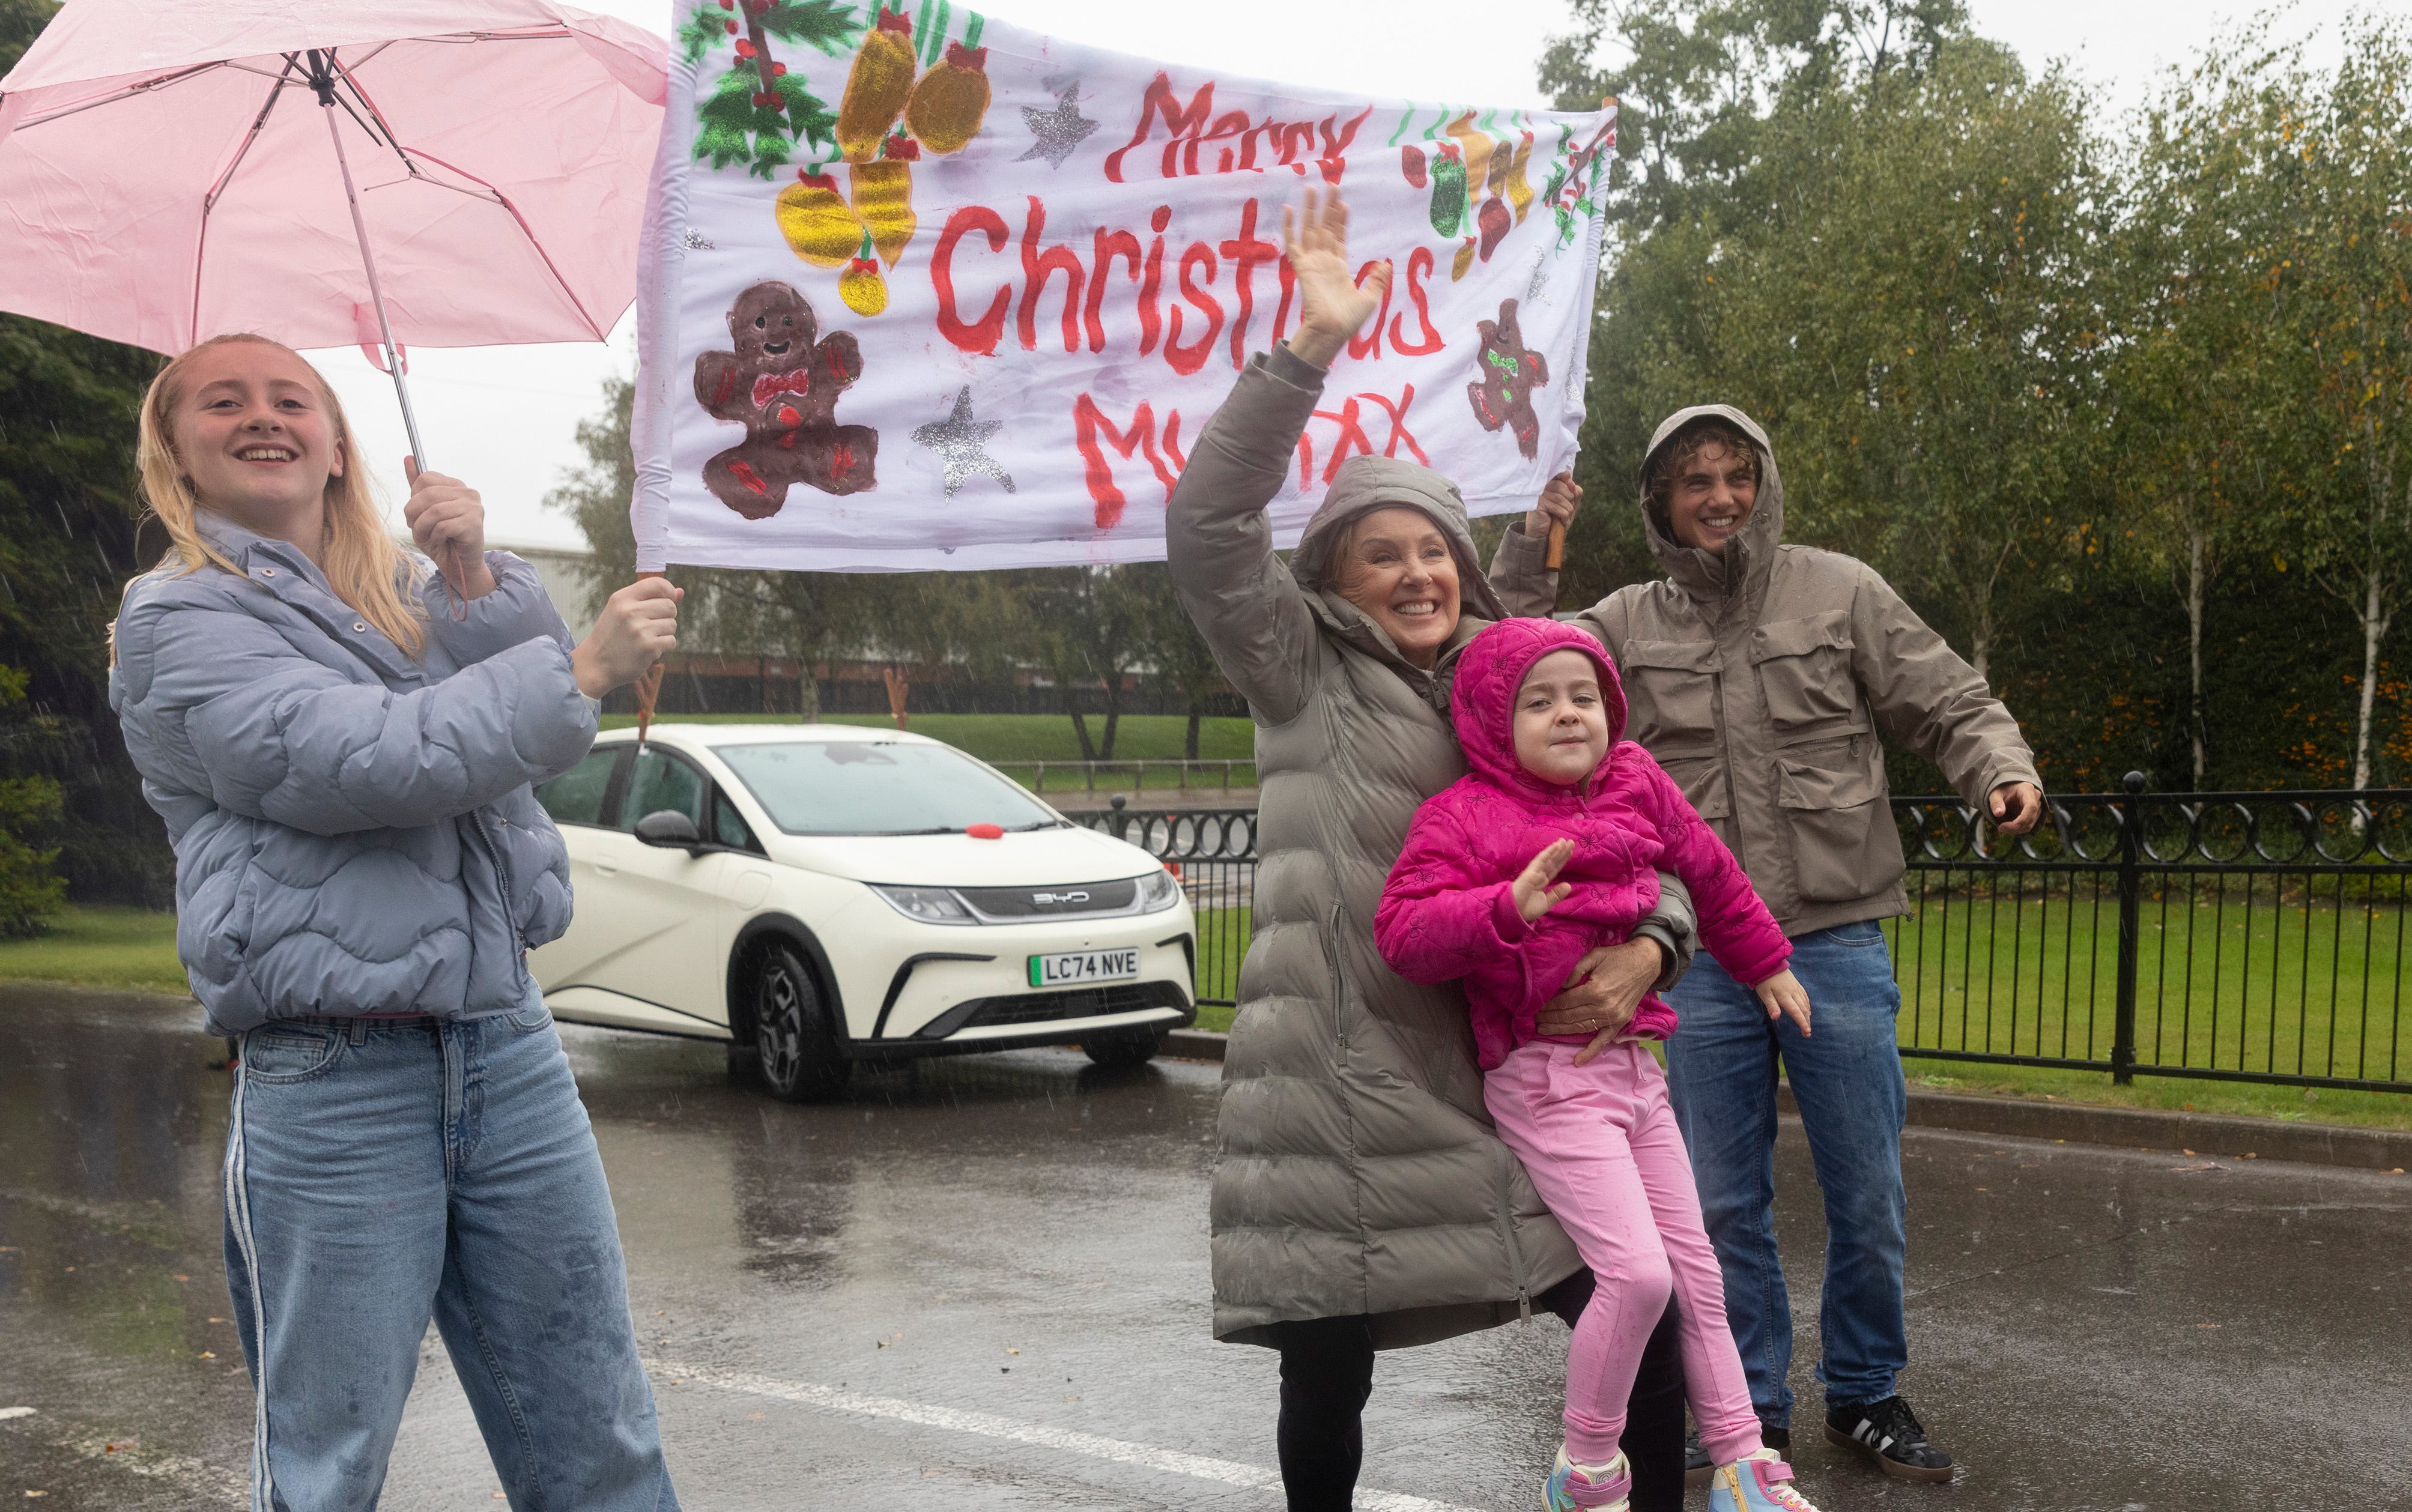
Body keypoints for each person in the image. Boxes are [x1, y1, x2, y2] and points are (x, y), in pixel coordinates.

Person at [1165, 189, 1702, 1512]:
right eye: (1380, 555)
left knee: (1648, 1312)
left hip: (1504, 1070)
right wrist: (1309, 348)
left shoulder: (1504, 686)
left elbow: (1646, 831)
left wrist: (1653, 942)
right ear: (1331, 578)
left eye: (1434, 552)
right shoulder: (1296, 666)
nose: (1415, 574)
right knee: (1328, 1371)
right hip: (1338, 1082)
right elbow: (1208, 527)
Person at [109, 333, 686, 1511]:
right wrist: (580, 668)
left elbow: (503, 722)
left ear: (335, 446)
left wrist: (471, 576)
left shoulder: (397, 599)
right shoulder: (176, 617)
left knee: (597, 1434)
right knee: (329, 1467)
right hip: (334, 1077)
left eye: (293, 399)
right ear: (174, 450)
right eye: (224, 401)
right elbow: (363, 761)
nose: (263, 416)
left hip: (505, 1040)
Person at [1492, 407, 2044, 1481]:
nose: (1720, 497)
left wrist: (2000, 769)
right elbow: (1504, 662)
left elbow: (1949, 699)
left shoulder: (1839, 590)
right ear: (1659, 503)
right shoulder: (1623, 621)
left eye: (1736, 475)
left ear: (1764, 483)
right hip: (1690, 950)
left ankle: (1866, 1390)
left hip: (1833, 937)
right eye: (1694, 480)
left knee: (1866, 1184)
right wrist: (1532, 540)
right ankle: (1749, 1408)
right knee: (1718, 1202)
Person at [1374, 618, 1826, 1512]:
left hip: (1634, 1068)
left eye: (1584, 696)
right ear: (1493, 724)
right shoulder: (1462, 814)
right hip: (1546, 1078)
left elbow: (1710, 870)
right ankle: (1585, 1468)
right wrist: (1503, 909)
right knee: (1640, 1276)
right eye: (1539, 702)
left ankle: (1745, 1469)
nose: (1568, 714)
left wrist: (1766, 960)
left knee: (1698, 1274)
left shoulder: (1635, 777)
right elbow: (1403, 930)